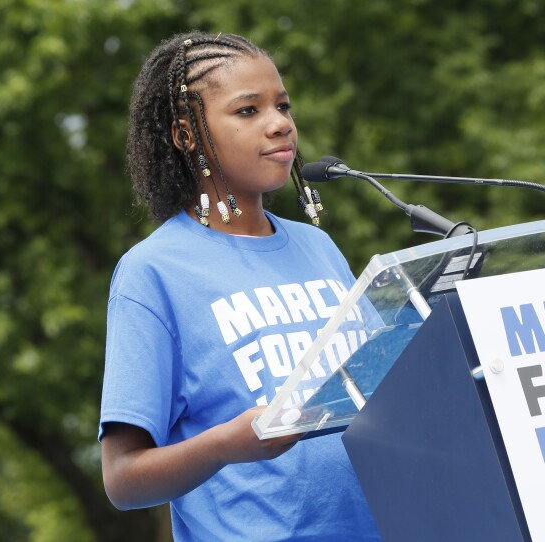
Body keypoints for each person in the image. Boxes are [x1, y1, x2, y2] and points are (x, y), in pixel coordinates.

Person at [98, 31, 380, 541]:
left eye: (283, 105)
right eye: (248, 110)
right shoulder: (152, 272)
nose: (280, 123)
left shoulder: (318, 247)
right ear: (186, 134)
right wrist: (226, 444)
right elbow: (121, 479)